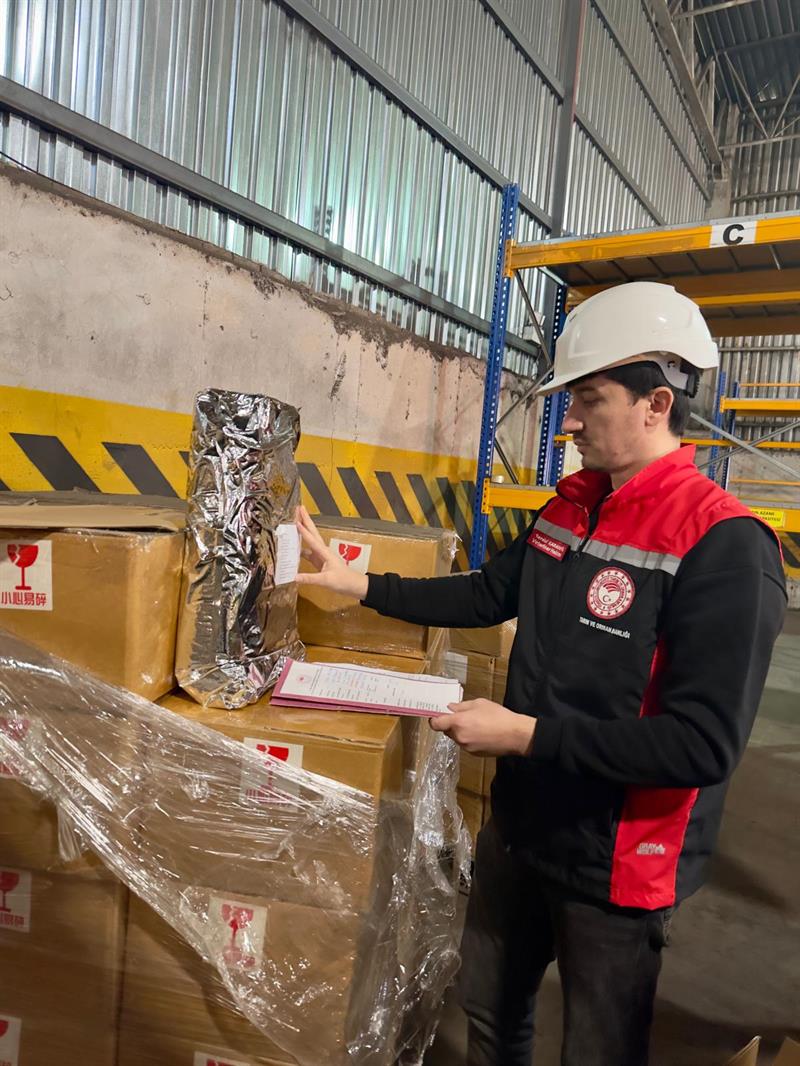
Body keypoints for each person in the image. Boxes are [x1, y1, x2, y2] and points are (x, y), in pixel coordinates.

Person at [295, 281, 787, 1066]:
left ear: (656, 404)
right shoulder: (570, 509)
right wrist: (361, 585)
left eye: (589, 400)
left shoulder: (723, 545)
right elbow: (487, 594)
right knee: (491, 1012)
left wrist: (525, 735)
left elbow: (700, 745)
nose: (571, 423)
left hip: (616, 860)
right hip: (521, 827)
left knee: (597, 1049)